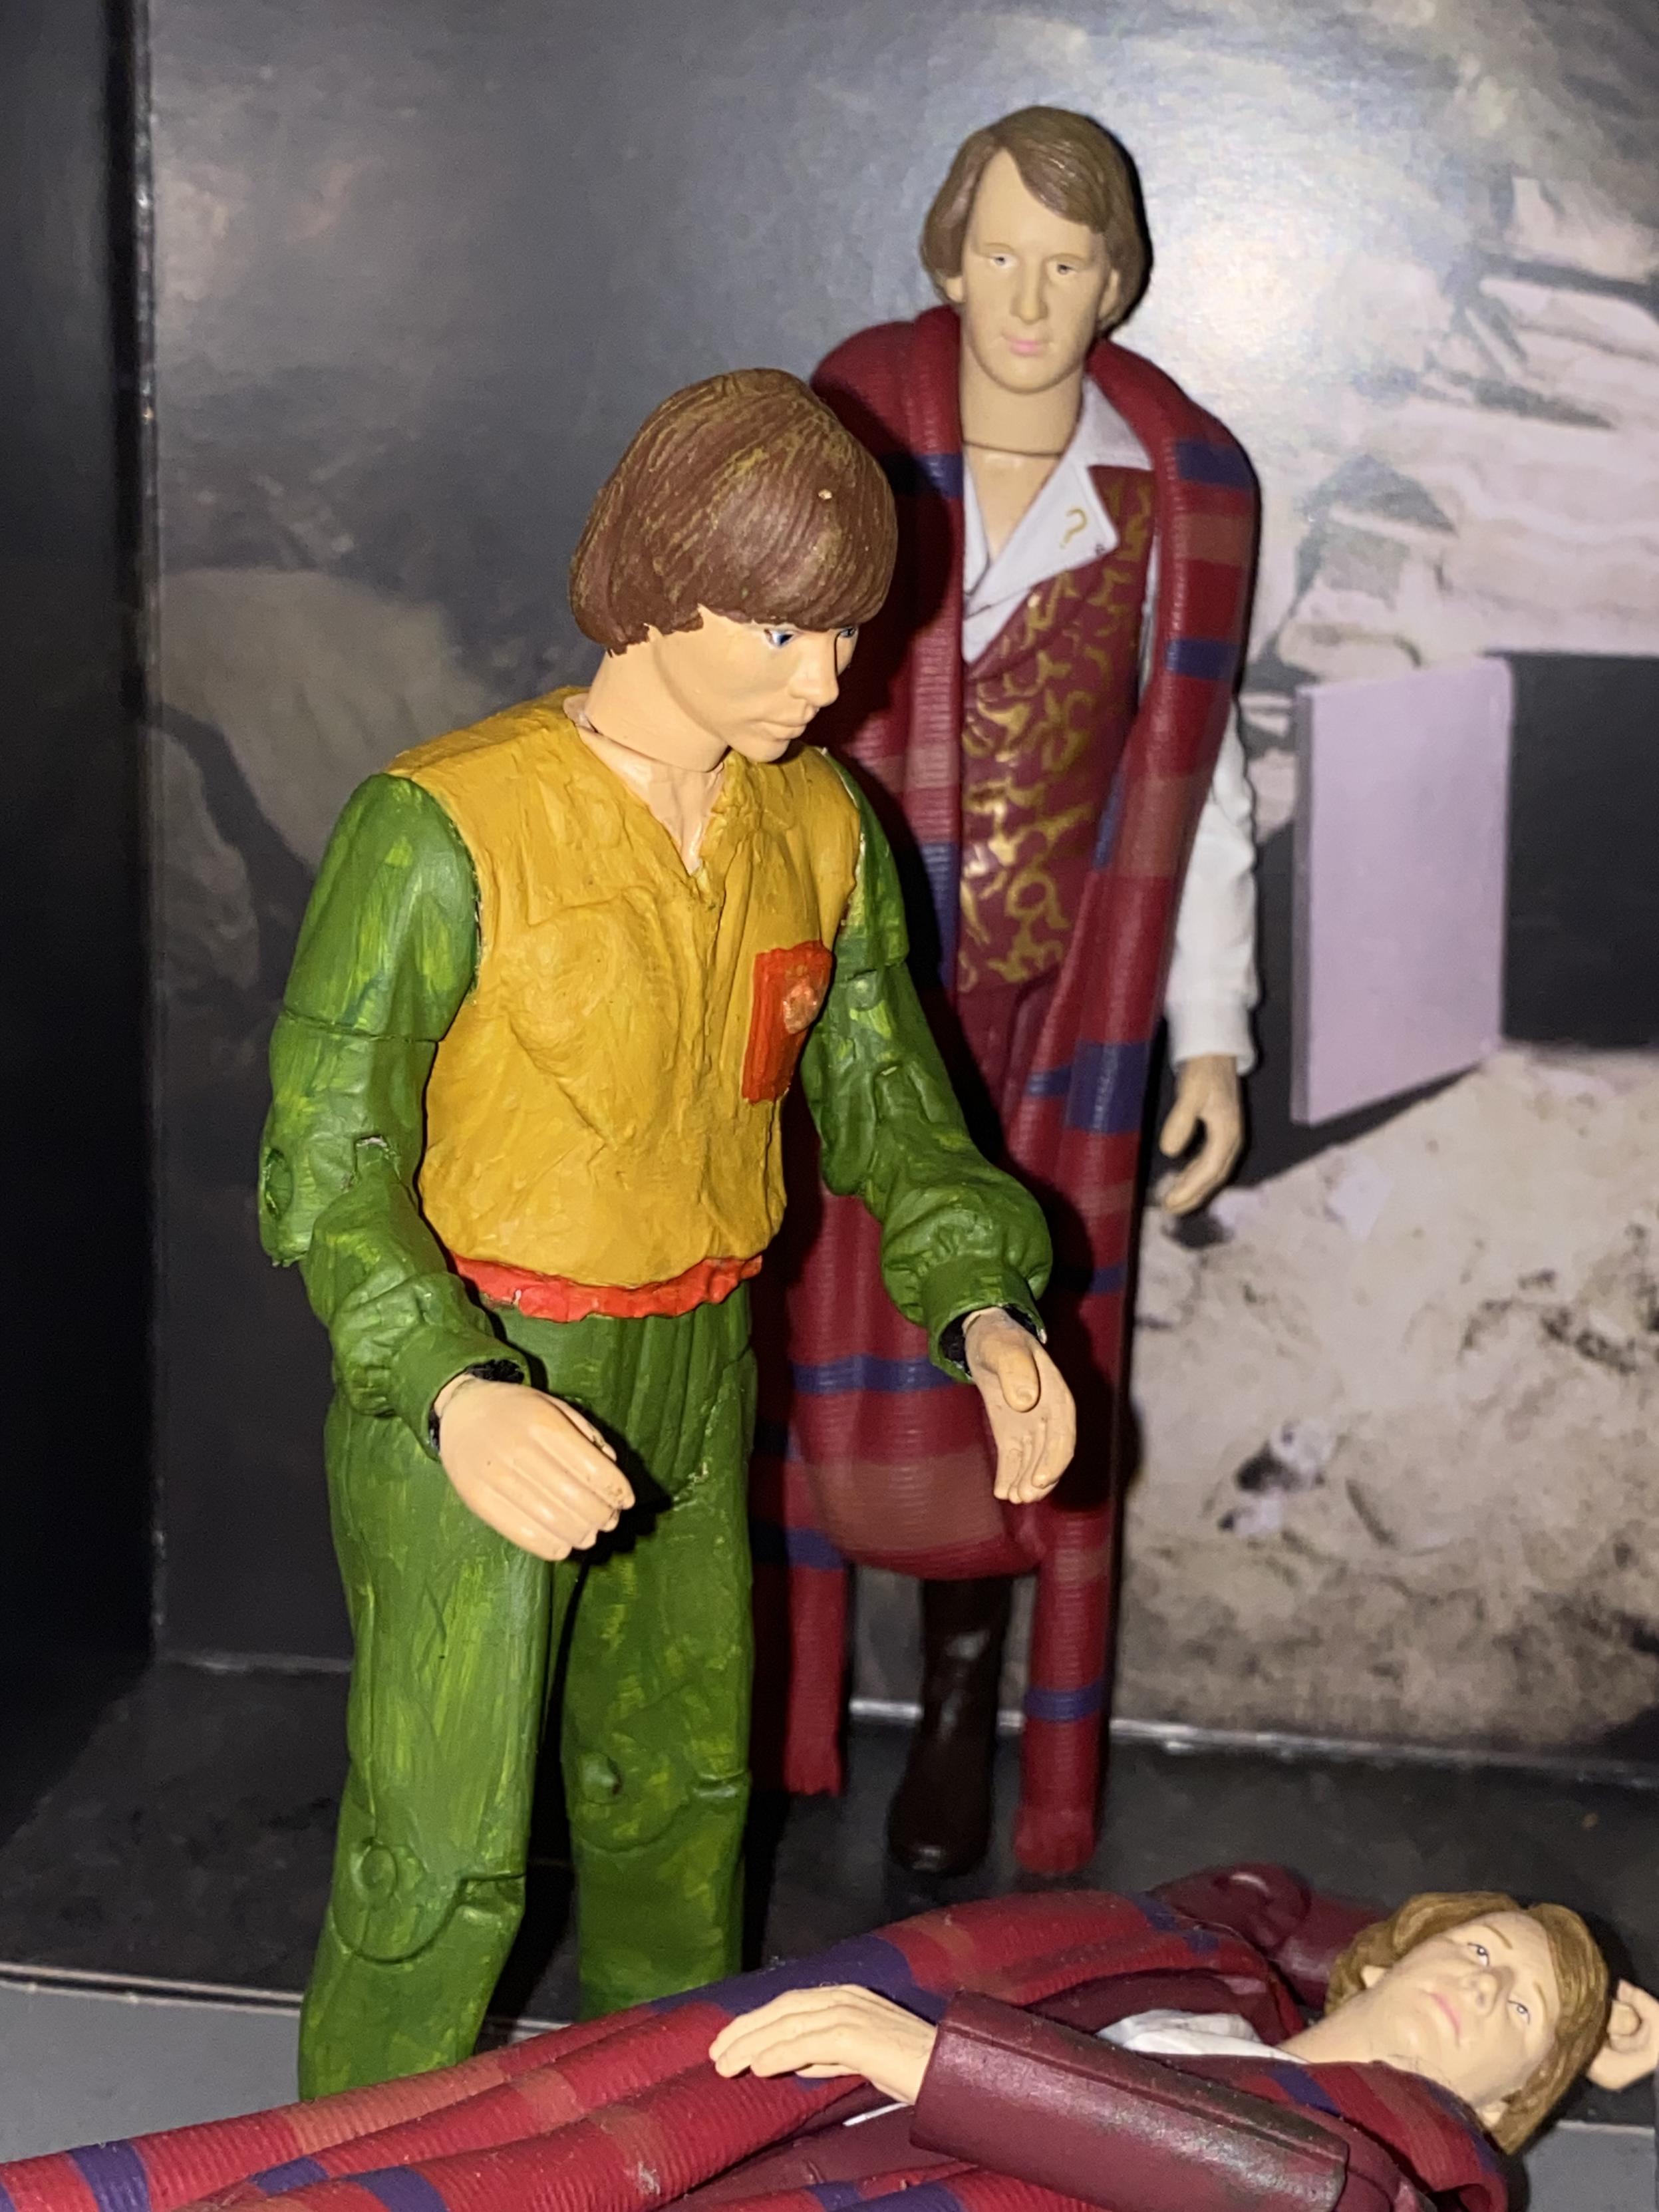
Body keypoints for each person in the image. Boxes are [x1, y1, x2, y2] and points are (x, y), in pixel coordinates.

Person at [257, 368, 1075, 2095]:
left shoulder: (819, 828)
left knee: (681, 1803)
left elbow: (892, 1103)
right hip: (479, 1368)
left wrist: (985, 1303)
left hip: (699, 1366)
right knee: (441, 1847)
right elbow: (326, 1163)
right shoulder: (443, 826)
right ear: (659, 589)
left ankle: (654, 2136)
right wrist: (453, 1388)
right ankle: (350, 2172)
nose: (826, 674)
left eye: (843, 631)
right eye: (781, 631)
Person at [756, 106, 1261, 1879]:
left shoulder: (1169, 492)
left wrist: (1211, 1034)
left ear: (1115, 280)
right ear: (945, 258)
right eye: (999, 256)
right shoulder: (847, 443)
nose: (1029, 300)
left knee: (1010, 1363)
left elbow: (1194, 783)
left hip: (1049, 1018)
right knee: (813, 1346)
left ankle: (961, 1696)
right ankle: (786, 1685)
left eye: (1067, 264)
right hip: (842, 991)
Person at [12, 1867, 1654, 2212]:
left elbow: (1273, 2182)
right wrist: (1571, 1973)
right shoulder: (1210, 1967)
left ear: (1514, 2098)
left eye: (1519, 2014)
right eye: (1477, 1949)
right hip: (750, 2118)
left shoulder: (1404, 2165)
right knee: (394, 2157)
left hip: (867, 2170)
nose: (1484, 1984)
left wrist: (938, 2059)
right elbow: (1259, 1893)